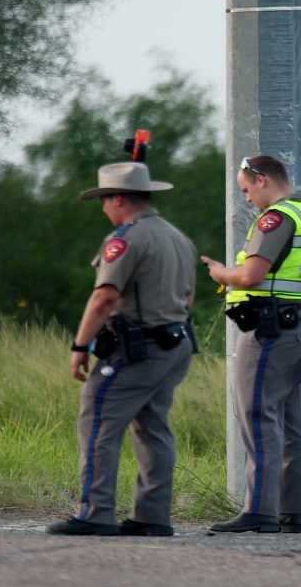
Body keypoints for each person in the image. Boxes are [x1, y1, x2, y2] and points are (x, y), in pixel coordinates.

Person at [46, 162, 198, 537]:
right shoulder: (179, 237)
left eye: (103, 200)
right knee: (153, 427)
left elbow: (104, 297)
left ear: (118, 198)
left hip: (137, 348)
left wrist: (80, 345)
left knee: (98, 423)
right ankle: (152, 516)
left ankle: (95, 512)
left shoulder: (126, 238)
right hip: (174, 344)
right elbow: (189, 296)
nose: (102, 208)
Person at [202, 154, 301, 534]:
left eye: (245, 190)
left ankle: (259, 510)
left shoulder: (276, 218)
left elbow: (253, 273)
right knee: (291, 421)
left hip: (271, 332)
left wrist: (221, 273)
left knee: (258, 416)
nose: (246, 199)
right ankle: (292, 511)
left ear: (261, 180)